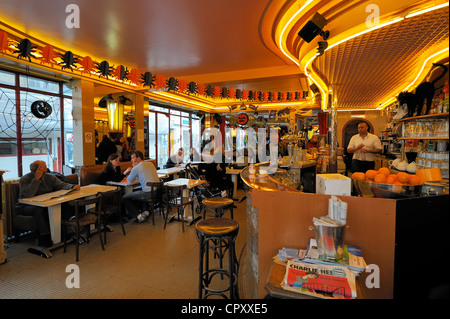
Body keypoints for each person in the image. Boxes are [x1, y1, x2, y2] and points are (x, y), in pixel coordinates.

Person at [16, 160, 81, 247]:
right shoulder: (24, 179)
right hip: (26, 206)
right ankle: (44, 236)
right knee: (38, 210)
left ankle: (63, 230)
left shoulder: (49, 177)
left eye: (45, 168)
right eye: (42, 169)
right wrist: (36, 179)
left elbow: (61, 184)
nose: (45, 171)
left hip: (45, 202)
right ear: (34, 171)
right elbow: (29, 194)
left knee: (63, 204)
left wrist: (72, 186)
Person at [121, 150, 160, 223]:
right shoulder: (150, 164)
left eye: (132, 158)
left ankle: (138, 216)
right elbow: (142, 175)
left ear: (138, 158)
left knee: (124, 198)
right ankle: (145, 211)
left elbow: (129, 180)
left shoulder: (136, 167)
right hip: (158, 192)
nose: (131, 160)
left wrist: (132, 170)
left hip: (148, 193)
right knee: (138, 191)